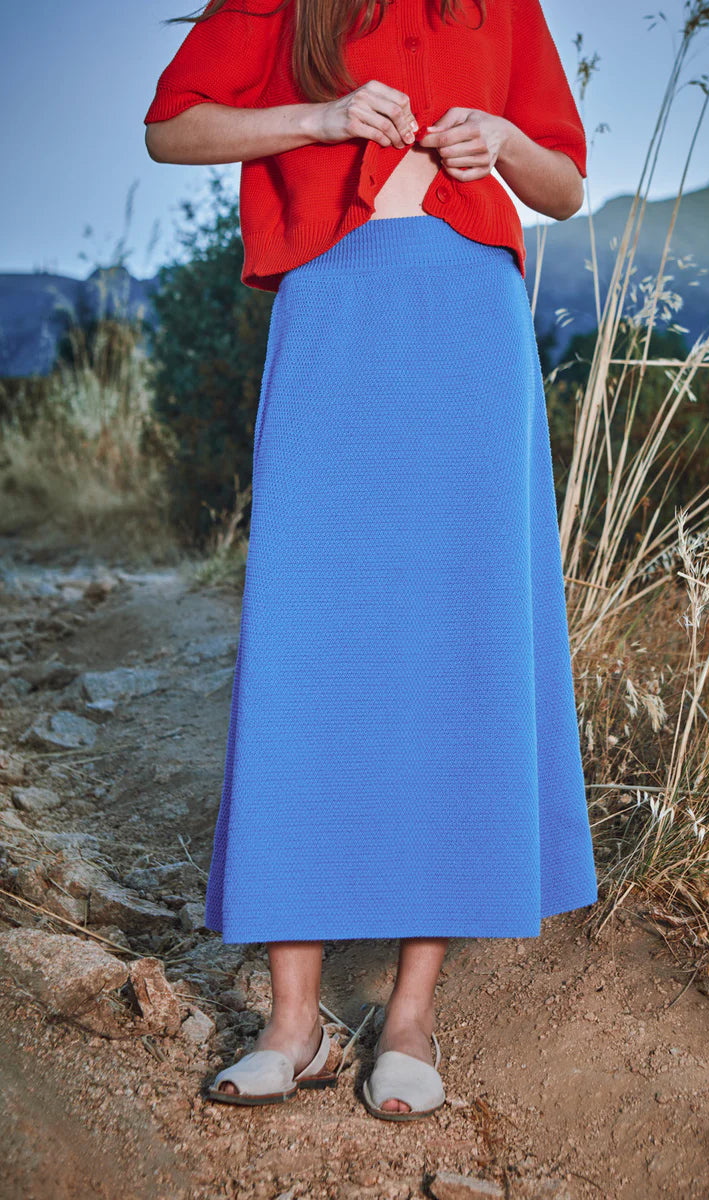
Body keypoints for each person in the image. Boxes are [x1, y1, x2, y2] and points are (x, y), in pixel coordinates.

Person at [144, 0, 599, 1121]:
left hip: (469, 324)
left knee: (453, 640)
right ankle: (292, 1023)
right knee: (310, 645)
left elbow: (561, 187)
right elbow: (171, 128)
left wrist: (502, 141)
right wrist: (320, 117)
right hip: (333, 306)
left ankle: (409, 1017)